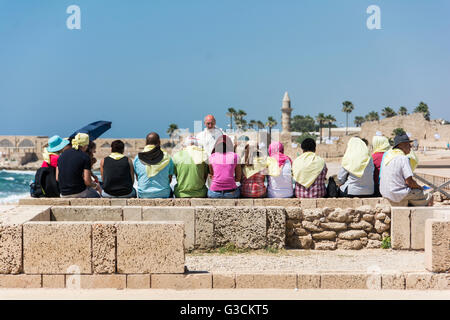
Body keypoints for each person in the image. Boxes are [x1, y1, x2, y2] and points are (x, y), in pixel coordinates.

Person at [380, 134, 432, 206]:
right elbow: (409, 182)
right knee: (429, 196)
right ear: (401, 145)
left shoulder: (388, 157)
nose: (410, 146)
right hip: (398, 193)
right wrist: (419, 187)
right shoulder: (403, 158)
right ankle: (426, 217)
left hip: (385, 192)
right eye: (408, 144)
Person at [56, 133, 101, 198]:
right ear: (85, 145)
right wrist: (96, 186)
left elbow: (57, 178)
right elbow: (87, 182)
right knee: (97, 195)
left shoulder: (61, 156)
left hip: (63, 193)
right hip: (79, 192)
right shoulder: (85, 157)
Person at [133, 132, 174, 198]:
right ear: (159, 142)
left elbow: (138, 178)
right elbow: (170, 179)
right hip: (164, 194)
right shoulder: (167, 157)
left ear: (146, 142)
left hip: (144, 194)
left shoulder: (137, 158)